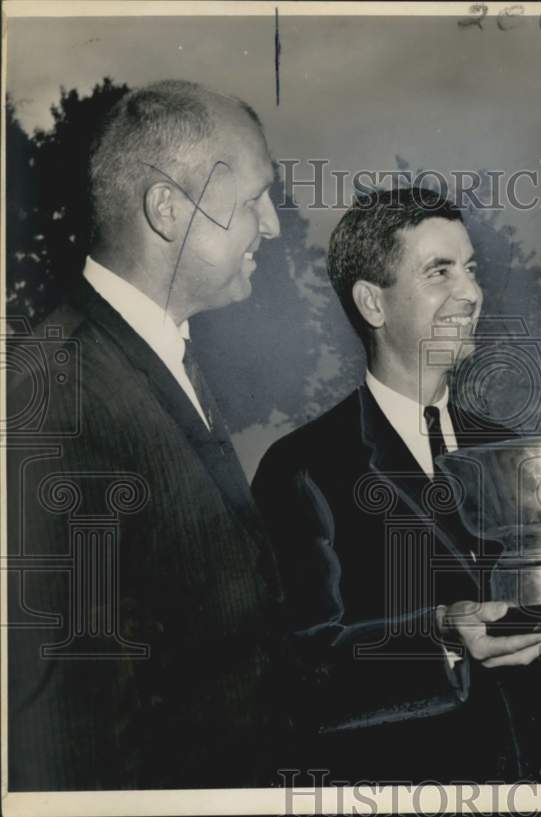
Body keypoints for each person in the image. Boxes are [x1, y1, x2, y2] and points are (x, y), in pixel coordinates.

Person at [6, 80, 289, 789]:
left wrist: (438, 634)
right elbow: (64, 740)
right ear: (168, 210)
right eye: (255, 199)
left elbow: (231, 660)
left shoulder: (157, 358)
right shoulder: (57, 394)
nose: (275, 226)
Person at [251, 187, 541, 782]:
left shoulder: (509, 449)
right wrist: (443, 633)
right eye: (439, 271)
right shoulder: (300, 467)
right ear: (372, 303)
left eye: (470, 269)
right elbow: (304, 668)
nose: (470, 293)